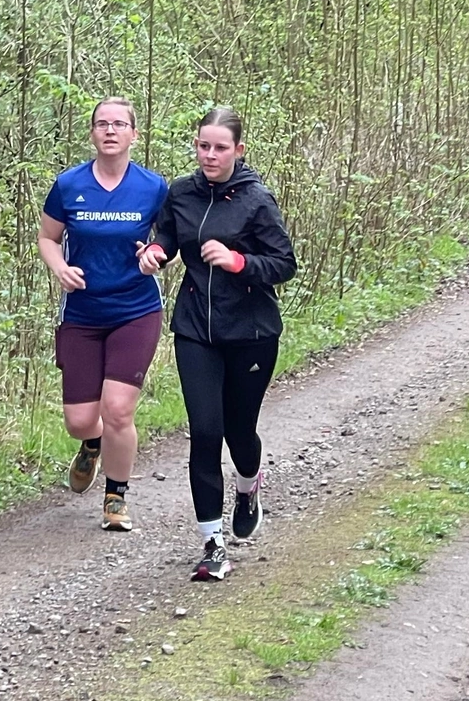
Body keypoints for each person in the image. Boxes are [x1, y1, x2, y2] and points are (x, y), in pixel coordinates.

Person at [137, 108, 297, 581]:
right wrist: (154, 254)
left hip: (251, 332)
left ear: (238, 151)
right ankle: (212, 543)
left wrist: (237, 261)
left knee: (238, 433)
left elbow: (284, 263)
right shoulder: (181, 193)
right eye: (203, 146)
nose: (210, 155)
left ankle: (248, 486)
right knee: (205, 432)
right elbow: (166, 236)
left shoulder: (257, 200)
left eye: (220, 147)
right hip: (195, 330)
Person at [38, 97, 168, 533]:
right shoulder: (68, 183)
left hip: (135, 309)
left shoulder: (153, 187)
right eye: (102, 124)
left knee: (118, 410)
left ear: (134, 134)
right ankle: (91, 445)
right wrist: (58, 267)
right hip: (82, 313)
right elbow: (48, 237)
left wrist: (154, 254)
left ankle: (116, 495)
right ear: (92, 133)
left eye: (119, 124)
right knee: (79, 420)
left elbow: (168, 240)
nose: (110, 131)